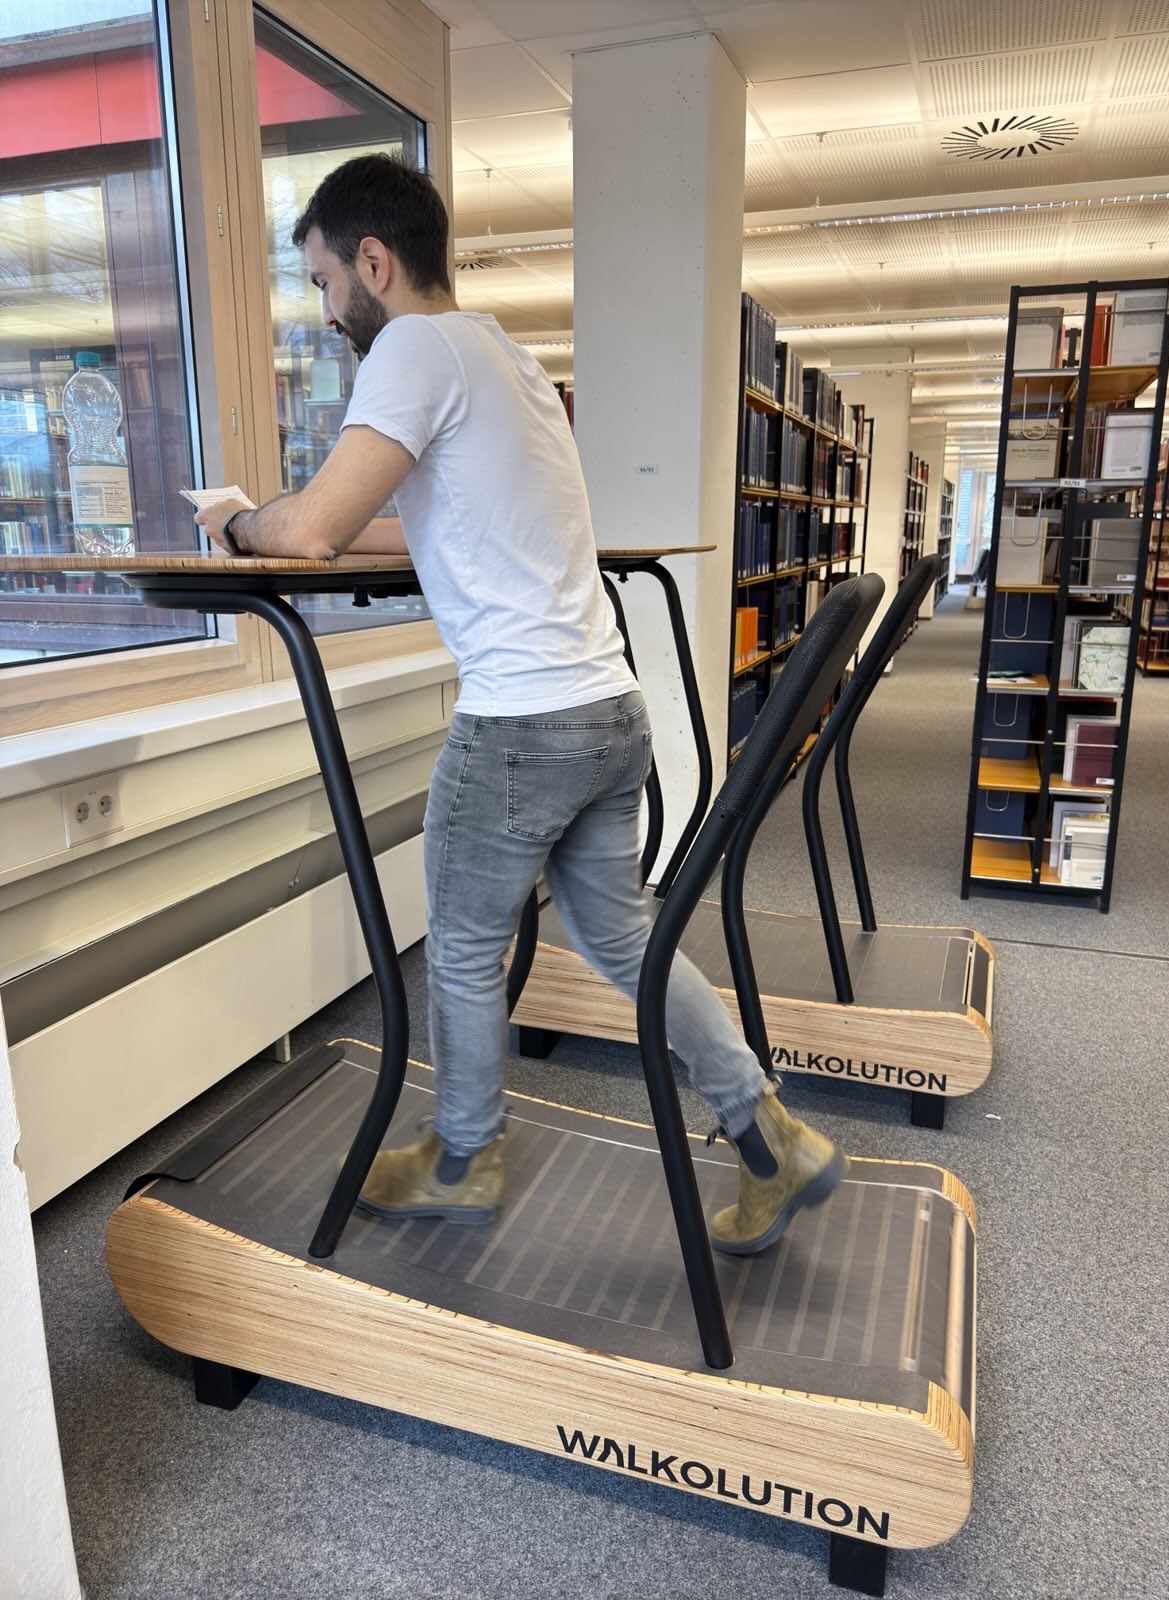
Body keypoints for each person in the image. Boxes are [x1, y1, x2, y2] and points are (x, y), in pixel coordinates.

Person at [195, 152, 845, 1257]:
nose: (325, 312)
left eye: (322, 282)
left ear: (372, 260)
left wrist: (238, 524)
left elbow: (311, 530)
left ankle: (463, 1159)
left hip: (521, 724)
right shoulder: (505, 355)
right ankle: (767, 1132)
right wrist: (305, 526)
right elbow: (422, 523)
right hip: (608, 711)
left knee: (459, 945)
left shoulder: (409, 349)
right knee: (620, 936)